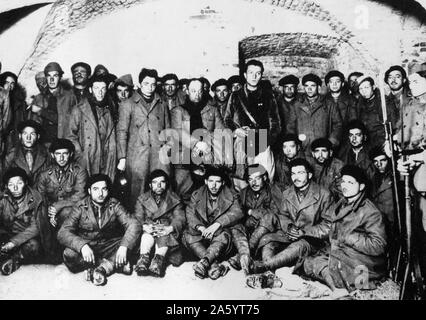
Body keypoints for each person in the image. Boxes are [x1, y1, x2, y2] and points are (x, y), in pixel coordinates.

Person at [303, 165, 387, 292]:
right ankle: (336, 287)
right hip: (345, 252)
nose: (345, 185)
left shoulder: (370, 211)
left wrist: (349, 237)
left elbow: (379, 245)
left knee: (330, 265)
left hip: (363, 261)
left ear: (362, 186)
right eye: (343, 181)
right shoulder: (342, 203)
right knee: (309, 262)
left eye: (350, 182)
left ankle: (337, 290)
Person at [249, 158, 333, 273]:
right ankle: (263, 265)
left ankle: (264, 266)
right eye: (293, 174)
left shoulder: (324, 194)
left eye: (300, 173)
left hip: (311, 239)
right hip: (290, 233)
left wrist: (304, 232)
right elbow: (283, 216)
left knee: (299, 246)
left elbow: (329, 225)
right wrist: (290, 227)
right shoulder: (287, 193)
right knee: (267, 239)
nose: (296, 177)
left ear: (309, 175)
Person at [57, 174, 141, 286]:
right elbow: (63, 233)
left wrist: (124, 246)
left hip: (110, 245)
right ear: (89, 191)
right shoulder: (80, 207)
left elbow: (134, 224)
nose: (100, 193)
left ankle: (98, 268)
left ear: (108, 190)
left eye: (104, 189)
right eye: (96, 189)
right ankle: (111, 265)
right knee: (69, 254)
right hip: (89, 245)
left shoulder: (114, 204)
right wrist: (82, 246)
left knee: (136, 244)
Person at [117, 68, 171, 208]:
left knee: (162, 189)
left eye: (153, 84)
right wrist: (122, 157)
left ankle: (161, 221)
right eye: (146, 84)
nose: (150, 88)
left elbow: (168, 130)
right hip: (137, 157)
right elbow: (122, 132)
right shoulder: (127, 104)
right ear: (140, 84)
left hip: (159, 156)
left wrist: (168, 149)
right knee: (137, 191)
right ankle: (137, 223)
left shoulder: (162, 103)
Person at [225, 60, 280, 186]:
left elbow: (276, 123)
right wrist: (236, 130)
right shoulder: (235, 96)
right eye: (251, 73)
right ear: (245, 75)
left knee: (266, 178)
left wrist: (267, 141)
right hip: (243, 140)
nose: (254, 76)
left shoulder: (268, 96)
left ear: (261, 75)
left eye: (258, 73)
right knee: (243, 180)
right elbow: (227, 119)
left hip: (262, 139)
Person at [184, 166, 243, 280]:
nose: (214, 185)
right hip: (202, 237)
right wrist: (201, 228)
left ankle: (205, 262)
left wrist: (217, 225)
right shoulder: (196, 195)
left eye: (217, 182)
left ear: (223, 182)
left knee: (224, 235)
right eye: (211, 181)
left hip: (221, 241)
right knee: (187, 235)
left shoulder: (232, 195)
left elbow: (238, 212)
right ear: (206, 181)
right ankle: (214, 265)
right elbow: (189, 214)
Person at [36, 138, 88, 262]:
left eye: (65, 154)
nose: (62, 157)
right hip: (51, 210)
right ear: (53, 155)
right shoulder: (44, 174)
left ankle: (64, 250)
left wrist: (58, 206)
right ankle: (49, 253)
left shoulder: (79, 171)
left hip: (71, 210)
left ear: (70, 154)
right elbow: (40, 197)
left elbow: (81, 195)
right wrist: (50, 210)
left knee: (66, 212)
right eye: (58, 154)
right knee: (40, 211)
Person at [229, 164, 281, 274]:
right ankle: (245, 254)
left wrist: (252, 212)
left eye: (257, 178)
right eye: (250, 179)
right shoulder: (244, 192)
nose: (254, 183)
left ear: (265, 178)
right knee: (235, 226)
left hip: (268, 231)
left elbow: (275, 213)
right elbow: (238, 210)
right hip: (249, 230)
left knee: (267, 218)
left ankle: (244, 255)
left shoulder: (273, 190)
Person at [133, 170, 186, 277]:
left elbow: (180, 218)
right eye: (155, 182)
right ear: (150, 185)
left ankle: (158, 260)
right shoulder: (142, 199)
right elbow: (138, 216)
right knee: (146, 237)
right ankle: (143, 258)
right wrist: (144, 226)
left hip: (165, 231)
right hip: (149, 229)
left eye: (162, 182)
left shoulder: (174, 199)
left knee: (164, 236)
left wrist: (170, 228)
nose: (159, 185)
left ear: (166, 184)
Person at [67, 74, 117, 179]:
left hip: (106, 157)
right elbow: (71, 135)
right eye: (97, 88)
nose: (100, 92)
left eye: (103, 88)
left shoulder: (110, 109)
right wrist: (80, 155)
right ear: (90, 89)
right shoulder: (79, 109)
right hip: (88, 156)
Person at [287, 73, 343, 161]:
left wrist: (330, 143)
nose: (309, 89)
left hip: (322, 151)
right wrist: (295, 146)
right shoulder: (296, 105)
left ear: (319, 87)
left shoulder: (329, 104)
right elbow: (290, 127)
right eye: (306, 86)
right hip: (302, 151)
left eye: (312, 86)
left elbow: (338, 125)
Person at [0, 168, 44, 275]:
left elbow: (36, 228)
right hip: (6, 235)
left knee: (34, 246)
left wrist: (13, 243)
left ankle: (14, 259)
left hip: (26, 238)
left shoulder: (36, 199)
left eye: (19, 183)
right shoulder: (3, 198)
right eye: (11, 184)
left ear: (26, 183)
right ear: (6, 186)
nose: (15, 188)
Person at [30, 62, 78, 144]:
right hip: (44, 145)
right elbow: (33, 125)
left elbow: (73, 123)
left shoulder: (70, 97)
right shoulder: (38, 98)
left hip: (63, 144)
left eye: (55, 76)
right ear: (46, 77)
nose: (52, 79)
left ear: (60, 77)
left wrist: (41, 111)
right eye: (49, 76)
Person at [356, 75, 398, 148]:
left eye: (366, 87)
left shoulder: (384, 102)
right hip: (367, 142)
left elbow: (394, 124)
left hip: (383, 141)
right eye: (361, 89)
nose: (364, 91)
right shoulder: (359, 104)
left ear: (373, 87)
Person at [4, 120, 50, 185]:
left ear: (38, 136)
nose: (28, 138)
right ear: (20, 136)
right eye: (25, 134)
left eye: (32, 134)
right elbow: (5, 179)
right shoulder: (12, 155)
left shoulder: (47, 154)